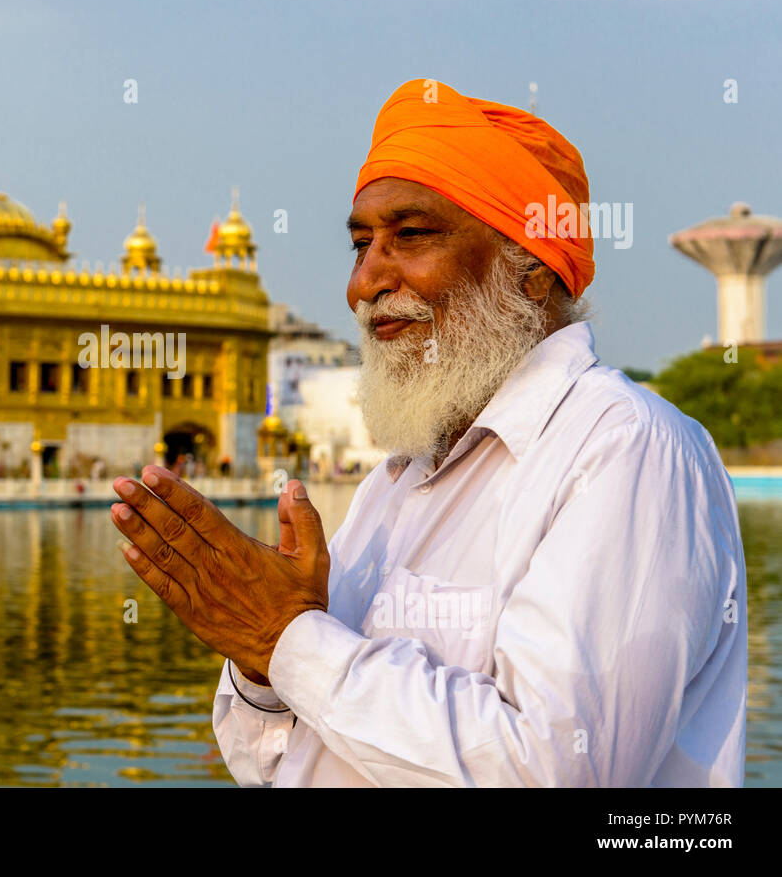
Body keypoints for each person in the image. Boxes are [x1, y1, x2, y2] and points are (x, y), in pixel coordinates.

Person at [109, 78, 746, 787]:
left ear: (530, 270)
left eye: (410, 236)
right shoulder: (400, 478)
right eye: (360, 244)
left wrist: (285, 637)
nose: (366, 280)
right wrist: (262, 665)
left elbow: (557, 769)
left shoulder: (624, 447)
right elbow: (272, 761)